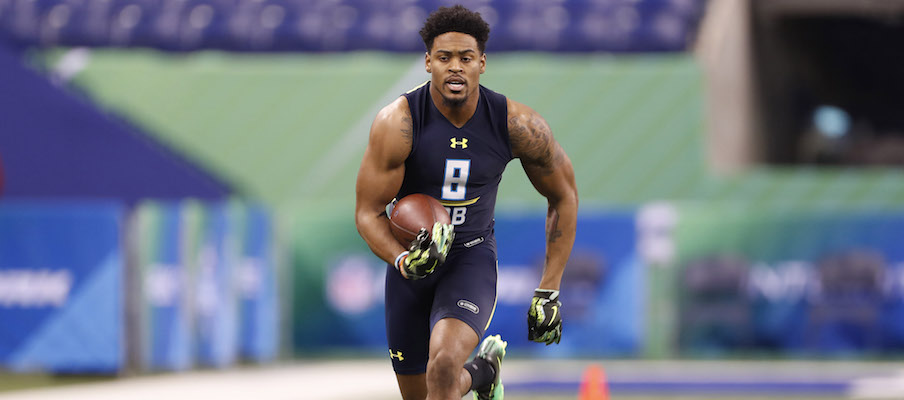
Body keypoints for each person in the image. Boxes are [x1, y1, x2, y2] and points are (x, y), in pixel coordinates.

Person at [354, 5, 578, 400]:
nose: (455, 67)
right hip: (412, 265)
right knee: (424, 394)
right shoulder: (398, 123)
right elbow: (368, 212)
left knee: (442, 367)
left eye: (465, 58)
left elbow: (563, 195)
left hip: (468, 258)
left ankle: (476, 372)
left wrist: (549, 289)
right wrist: (402, 260)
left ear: (482, 64)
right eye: (444, 58)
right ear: (427, 63)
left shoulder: (517, 124)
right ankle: (484, 373)